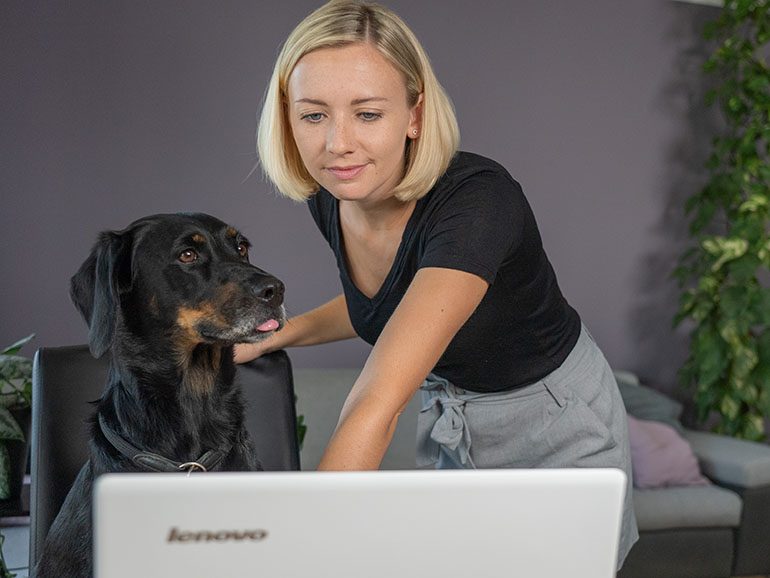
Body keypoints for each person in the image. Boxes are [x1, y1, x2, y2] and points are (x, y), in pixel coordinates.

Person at [235, 0, 638, 568]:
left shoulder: (478, 204)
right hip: (459, 419)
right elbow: (387, 305)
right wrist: (284, 332)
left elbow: (377, 401)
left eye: (368, 114)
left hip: (553, 424)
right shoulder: (332, 195)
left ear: (415, 114)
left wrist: (298, 549)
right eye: (314, 115)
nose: (337, 143)